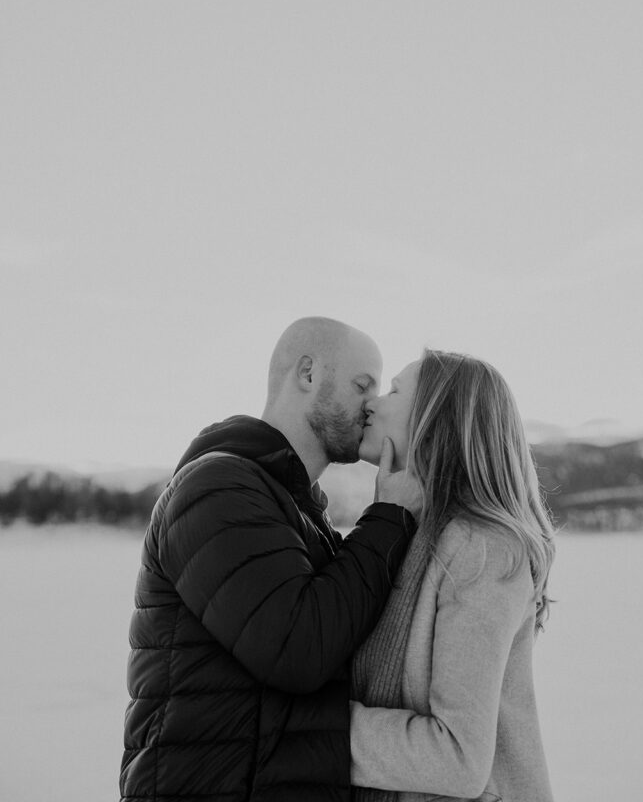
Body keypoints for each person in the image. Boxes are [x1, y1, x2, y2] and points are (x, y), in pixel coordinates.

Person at [119, 317, 422, 802]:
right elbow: (298, 649)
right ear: (308, 374)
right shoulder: (217, 488)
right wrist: (388, 517)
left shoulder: (295, 507)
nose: (372, 404)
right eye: (361, 385)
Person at [351, 350, 556, 802]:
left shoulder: (481, 548)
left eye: (394, 391)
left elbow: (458, 757)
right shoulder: (408, 531)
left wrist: (313, 731)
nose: (371, 403)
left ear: (435, 420)